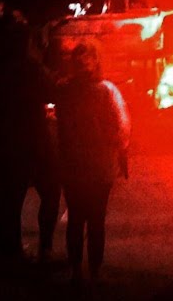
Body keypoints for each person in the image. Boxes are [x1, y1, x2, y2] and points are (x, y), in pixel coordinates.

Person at [0, 13, 60, 262]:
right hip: (33, 140)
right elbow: (52, 91)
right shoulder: (28, 68)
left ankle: (7, 244)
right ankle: (45, 247)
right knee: (51, 190)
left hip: (2, 140)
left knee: (8, 195)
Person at [55, 39, 131, 284]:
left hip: (72, 165)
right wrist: (119, 151)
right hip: (100, 165)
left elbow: (58, 126)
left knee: (76, 218)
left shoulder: (64, 91)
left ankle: (76, 268)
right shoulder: (107, 91)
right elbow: (121, 128)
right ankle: (96, 270)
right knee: (96, 219)